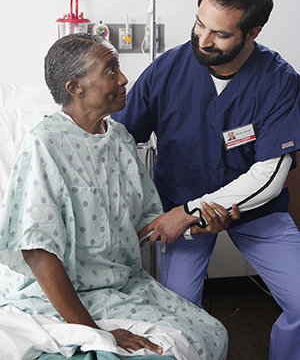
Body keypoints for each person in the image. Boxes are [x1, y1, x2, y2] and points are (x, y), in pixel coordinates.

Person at [0, 33, 229, 360]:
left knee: (212, 332)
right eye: (110, 71)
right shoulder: (45, 144)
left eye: (118, 68)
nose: (123, 79)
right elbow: (38, 253)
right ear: (75, 87)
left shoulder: (119, 137)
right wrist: (94, 330)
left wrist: (195, 224)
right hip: (58, 294)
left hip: (121, 285)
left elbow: (143, 221)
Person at [112, 0, 300, 360]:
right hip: (179, 205)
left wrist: (191, 212)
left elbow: (270, 176)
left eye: (221, 33)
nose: (204, 39)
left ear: (253, 33)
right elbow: (120, 140)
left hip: (254, 212)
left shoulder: (279, 80)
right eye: (200, 24)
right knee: (180, 319)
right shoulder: (166, 70)